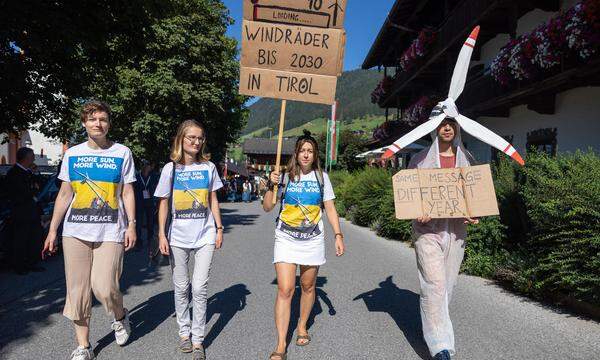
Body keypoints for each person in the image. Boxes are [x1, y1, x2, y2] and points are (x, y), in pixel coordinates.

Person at [42, 100, 136, 360]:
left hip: (111, 230)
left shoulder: (122, 152)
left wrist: (132, 224)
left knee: (105, 287)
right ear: (84, 123)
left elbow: (127, 191)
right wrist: (52, 230)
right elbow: (64, 194)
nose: (98, 123)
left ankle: (120, 315)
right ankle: (84, 346)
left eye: (103, 119)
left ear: (109, 124)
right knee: (78, 291)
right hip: (75, 231)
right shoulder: (73, 154)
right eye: (93, 119)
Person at [262, 131, 346, 360]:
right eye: (302, 151)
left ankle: (301, 326)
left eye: (310, 151)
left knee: (307, 287)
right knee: (285, 289)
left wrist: (338, 234)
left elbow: (329, 208)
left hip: (312, 239)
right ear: (296, 153)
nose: (306, 155)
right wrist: (271, 184)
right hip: (286, 238)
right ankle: (280, 344)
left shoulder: (322, 178)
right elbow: (267, 207)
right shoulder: (286, 176)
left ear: (315, 154)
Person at [408, 118, 479, 360]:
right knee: (434, 285)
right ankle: (440, 347)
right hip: (426, 230)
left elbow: (473, 195)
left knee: (447, 285)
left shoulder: (467, 158)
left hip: (456, 231)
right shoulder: (419, 160)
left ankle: (432, 326)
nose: (447, 128)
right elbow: (410, 194)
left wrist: (474, 213)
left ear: (458, 127)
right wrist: (417, 210)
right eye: (442, 124)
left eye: (451, 123)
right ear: (434, 128)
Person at [155, 119, 224, 360]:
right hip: (177, 236)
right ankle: (184, 333)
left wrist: (219, 227)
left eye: (199, 138)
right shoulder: (170, 169)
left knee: (200, 287)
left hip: (205, 233)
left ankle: (198, 340)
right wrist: (161, 234)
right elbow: (163, 202)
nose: (196, 142)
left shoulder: (209, 167)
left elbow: (213, 200)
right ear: (181, 140)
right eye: (190, 137)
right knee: (182, 287)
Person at [5, 147, 44, 274]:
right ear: (26, 158)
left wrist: (36, 174)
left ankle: (32, 263)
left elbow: (40, 186)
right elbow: (22, 192)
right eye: (32, 156)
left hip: (33, 212)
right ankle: (19, 266)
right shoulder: (14, 173)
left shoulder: (29, 172)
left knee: (33, 239)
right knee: (20, 240)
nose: (34, 159)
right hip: (21, 213)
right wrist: (33, 192)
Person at [134, 159, 159, 257]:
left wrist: (156, 201)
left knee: (150, 223)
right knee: (139, 223)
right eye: (144, 165)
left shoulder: (153, 177)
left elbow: (157, 188)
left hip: (150, 202)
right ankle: (138, 242)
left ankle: (150, 241)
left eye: (148, 165)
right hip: (139, 202)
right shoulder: (137, 177)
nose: (146, 166)